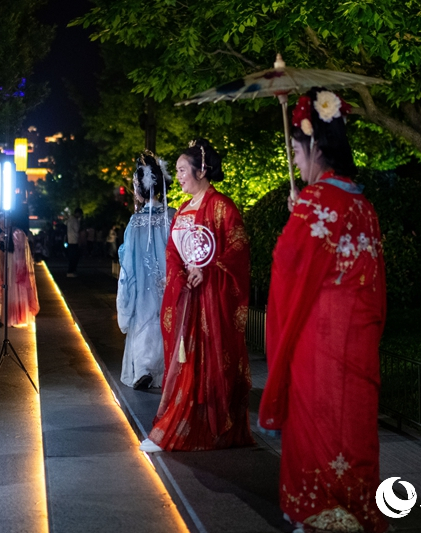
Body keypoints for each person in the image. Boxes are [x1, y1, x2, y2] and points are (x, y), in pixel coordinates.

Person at [259, 88, 387, 533]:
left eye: (296, 150)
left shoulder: (317, 203)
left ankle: (320, 513)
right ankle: (357, 508)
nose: (295, 160)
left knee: (316, 422)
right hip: (359, 340)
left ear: (314, 145)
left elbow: (288, 267)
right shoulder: (361, 204)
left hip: (321, 337)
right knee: (351, 426)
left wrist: (297, 220)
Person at [139, 138, 253, 452]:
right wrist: (180, 275)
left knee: (209, 365)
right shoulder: (184, 210)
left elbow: (238, 250)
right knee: (185, 365)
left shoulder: (222, 206)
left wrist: (212, 268)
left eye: (181, 170)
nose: (177, 177)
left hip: (211, 302)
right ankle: (181, 424)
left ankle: (205, 428)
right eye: (176, 171)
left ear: (201, 170)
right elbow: (173, 252)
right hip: (189, 299)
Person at [116, 152, 175, 390]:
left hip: (141, 285)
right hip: (169, 282)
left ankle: (143, 369)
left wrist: (125, 294)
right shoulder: (172, 216)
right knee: (166, 321)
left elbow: (127, 262)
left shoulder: (135, 222)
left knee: (143, 319)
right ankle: (165, 370)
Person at [0, 214, 39, 327]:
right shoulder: (1, 235)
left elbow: (21, 251)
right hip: (7, 265)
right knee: (8, 290)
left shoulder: (17, 233)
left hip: (16, 265)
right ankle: (10, 316)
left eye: (2, 221)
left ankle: (19, 316)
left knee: (17, 289)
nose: (1, 224)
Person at [66, 208, 82, 277]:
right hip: (74, 241)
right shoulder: (75, 220)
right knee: (74, 257)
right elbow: (77, 229)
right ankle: (71, 271)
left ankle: (71, 271)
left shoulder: (69, 220)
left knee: (72, 257)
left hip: (70, 240)